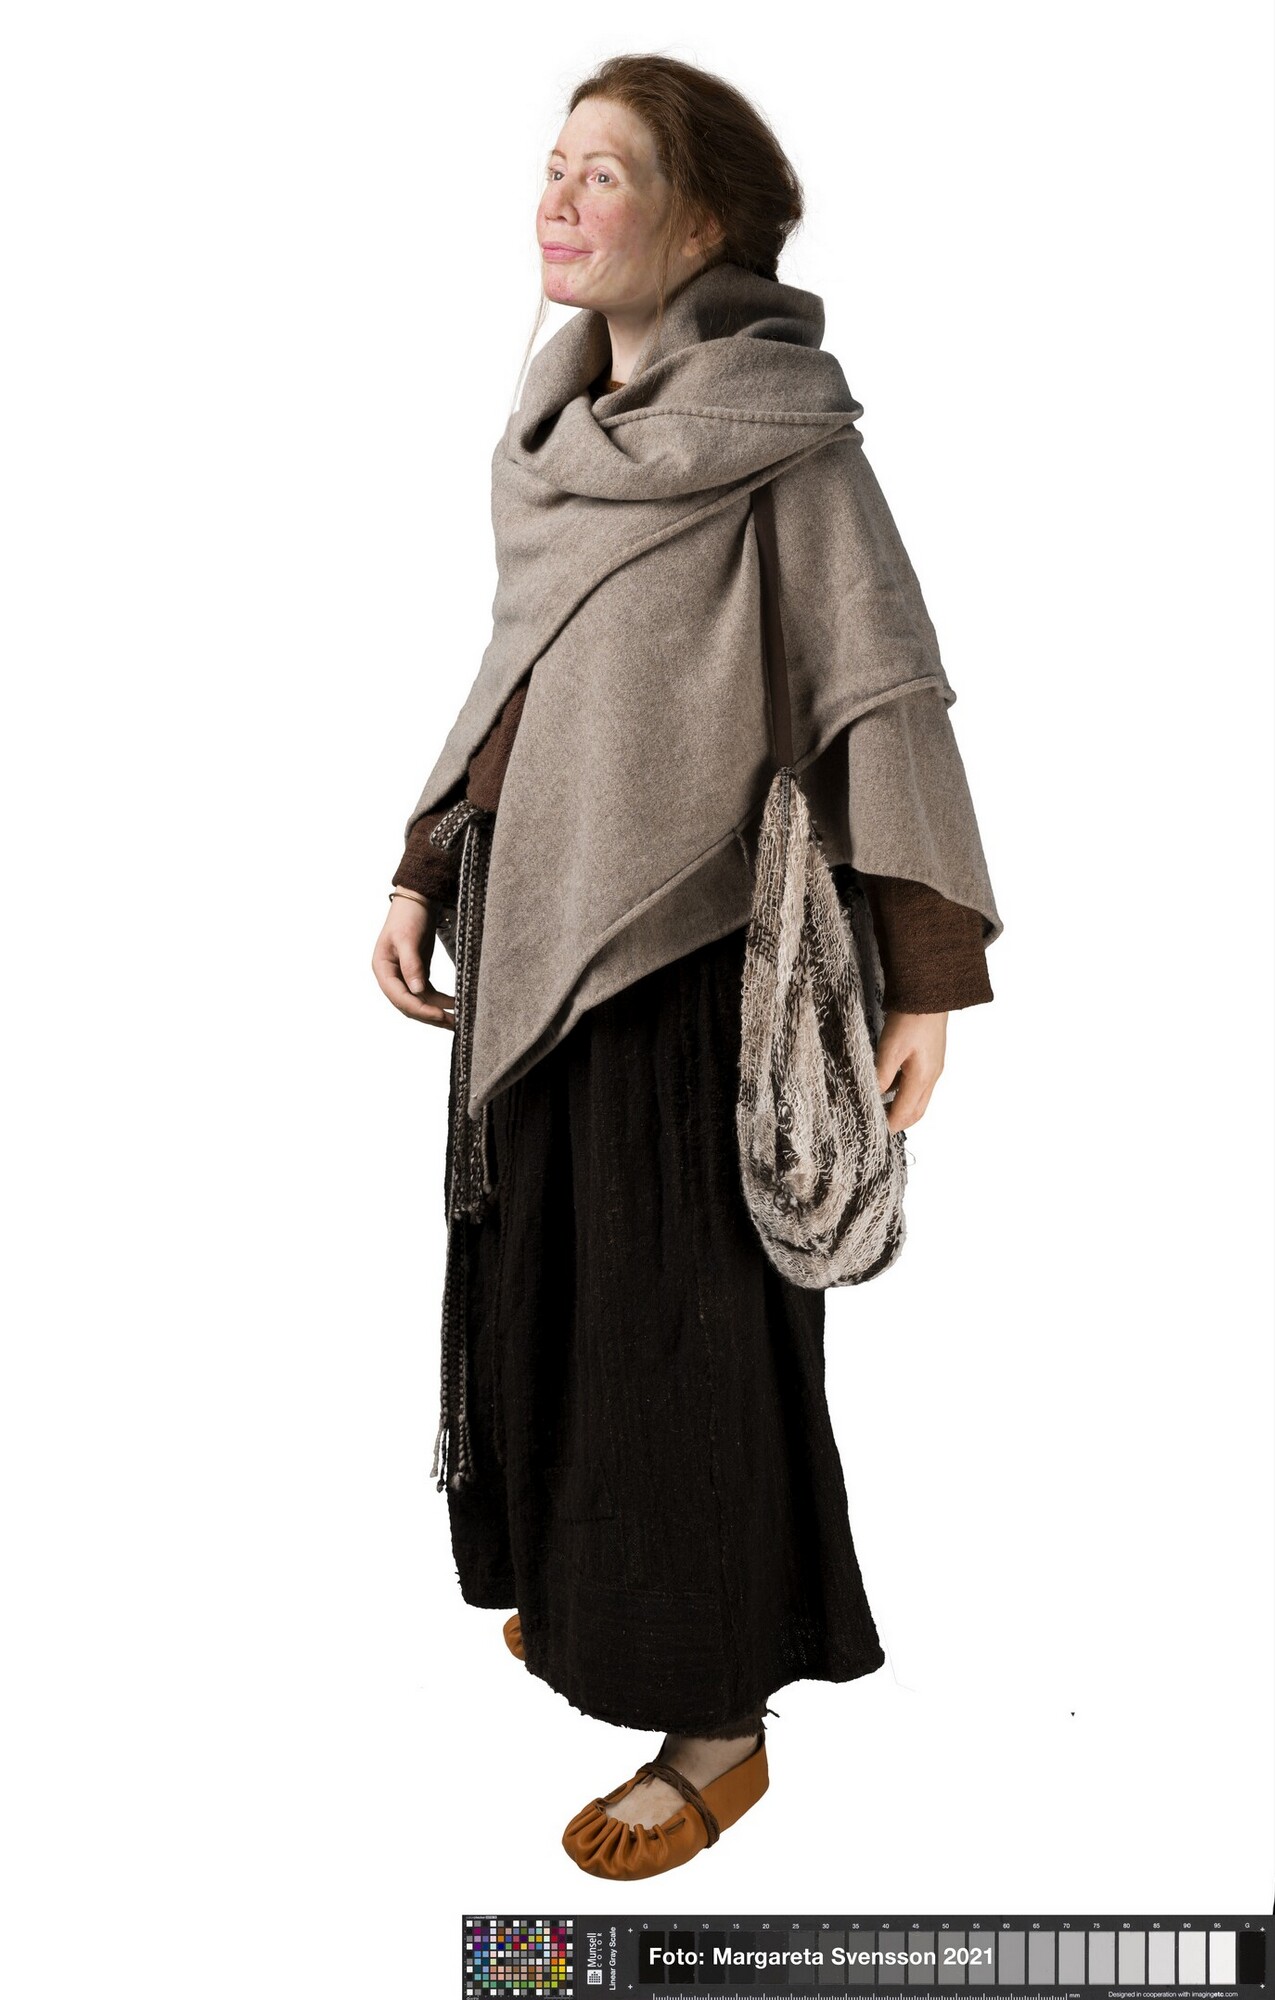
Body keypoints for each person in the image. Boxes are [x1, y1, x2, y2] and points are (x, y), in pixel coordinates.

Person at [371, 54, 1002, 1881]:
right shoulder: (558, 438)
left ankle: (719, 1725)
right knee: (561, 1302)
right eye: (552, 164)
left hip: (701, 966)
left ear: (707, 219)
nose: (559, 197)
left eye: (608, 172)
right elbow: (523, 679)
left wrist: (924, 976)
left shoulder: (790, 448)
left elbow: (883, 697)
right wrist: (423, 865)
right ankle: (594, 1588)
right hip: (535, 941)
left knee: (684, 1338)